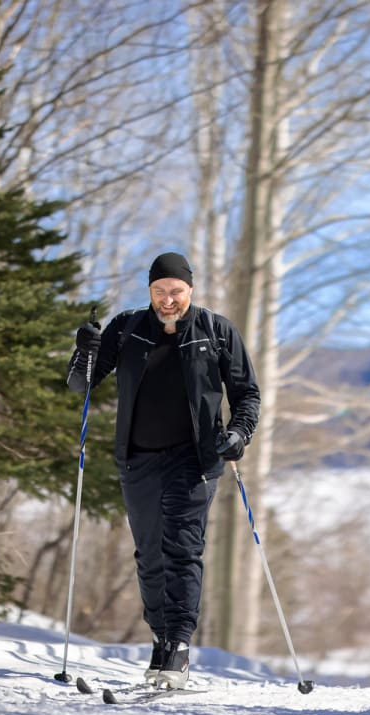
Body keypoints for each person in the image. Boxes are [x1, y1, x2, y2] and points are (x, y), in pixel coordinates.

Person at [67, 252, 260, 689]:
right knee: (149, 556)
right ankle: (159, 638)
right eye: (160, 291)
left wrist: (239, 433)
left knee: (182, 550)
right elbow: (81, 385)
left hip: (195, 460)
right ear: (149, 291)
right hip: (138, 459)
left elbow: (247, 392)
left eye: (176, 291)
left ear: (190, 289)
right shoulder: (128, 327)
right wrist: (84, 351)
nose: (168, 299)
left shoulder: (216, 330)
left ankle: (180, 645)